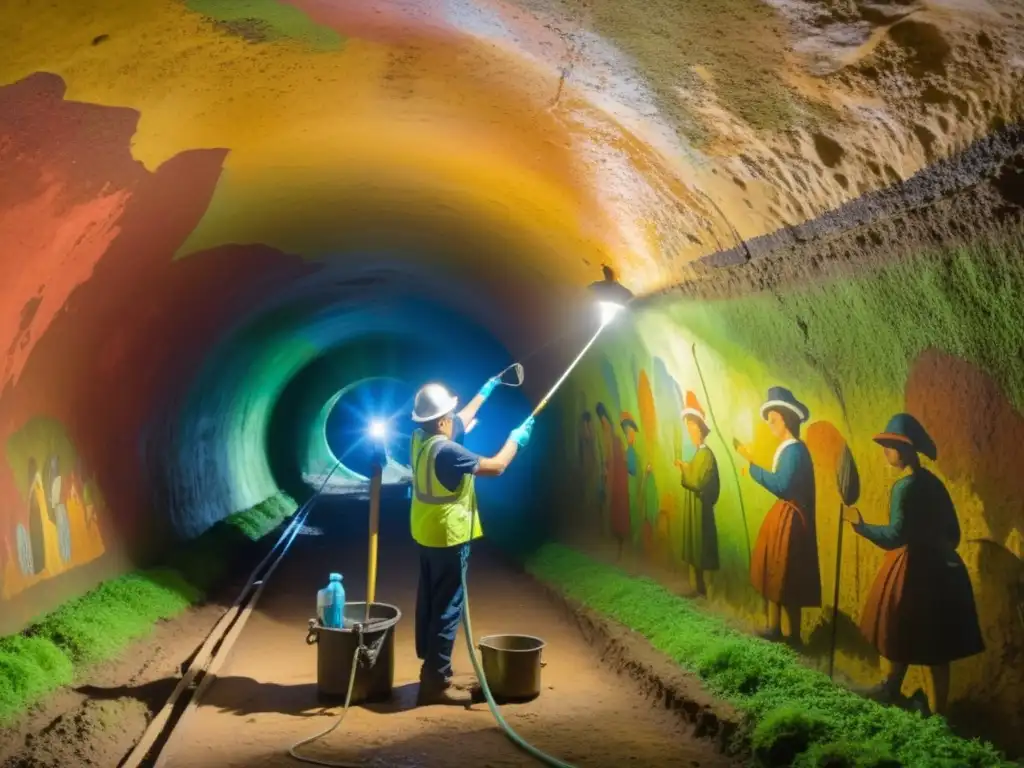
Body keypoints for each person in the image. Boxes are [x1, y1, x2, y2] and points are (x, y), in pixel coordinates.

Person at [842, 413, 984, 716]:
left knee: (897, 628)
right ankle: (936, 711)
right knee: (936, 644)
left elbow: (895, 535)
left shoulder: (904, 488)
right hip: (942, 574)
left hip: (911, 572)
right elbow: (954, 533)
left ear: (904, 450)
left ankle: (891, 688)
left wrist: (860, 526)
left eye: (890, 446)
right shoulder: (934, 483)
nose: (885, 452)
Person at [410, 377, 534, 706]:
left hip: (426, 533)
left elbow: (460, 421)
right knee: (447, 609)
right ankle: (437, 682)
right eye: (449, 414)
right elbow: (496, 467)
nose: (455, 417)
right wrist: (515, 441)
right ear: (440, 421)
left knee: (430, 601)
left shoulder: (420, 437)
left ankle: (429, 665)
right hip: (449, 537)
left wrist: (486, 389)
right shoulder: (449, 450)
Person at [734, 386, 821, 643]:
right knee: (774, 571)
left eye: (773, 419)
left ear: (786, 419)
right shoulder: (787, 449)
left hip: (791, 521)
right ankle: (774, 628)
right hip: (783, 518)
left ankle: (792, 634)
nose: (770, 424)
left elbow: (783, 485)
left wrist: (752, 467)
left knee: (788, 576)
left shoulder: (794, 450)